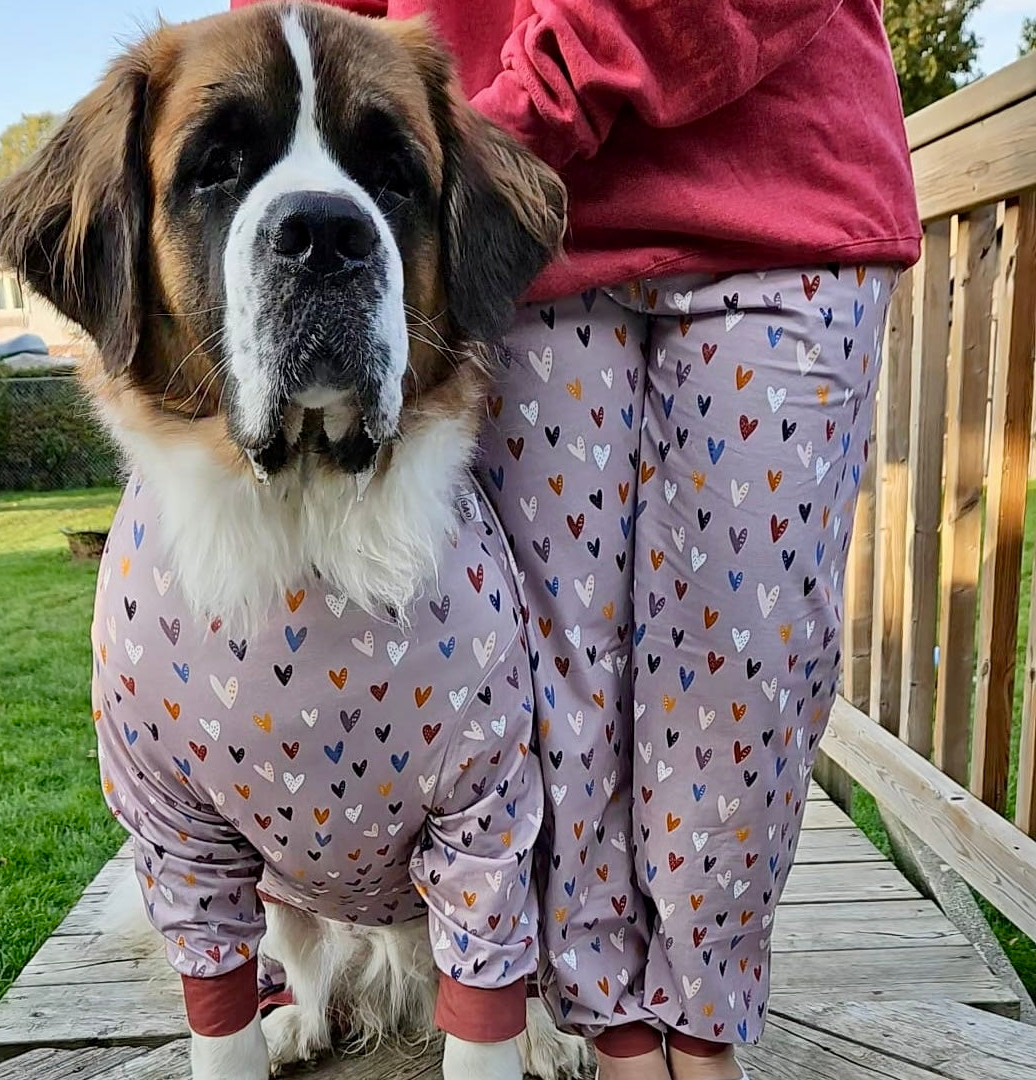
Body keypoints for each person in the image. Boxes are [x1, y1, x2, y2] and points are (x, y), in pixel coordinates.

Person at [229, 2, 921, 1078]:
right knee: (551, 668)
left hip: (776, 186)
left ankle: (702, 1023)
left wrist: (498, 123)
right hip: (522, 228)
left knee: (752, 662)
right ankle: (612, 1020)